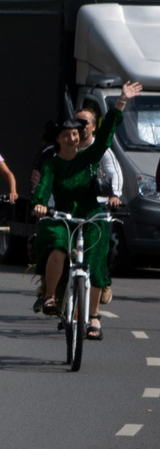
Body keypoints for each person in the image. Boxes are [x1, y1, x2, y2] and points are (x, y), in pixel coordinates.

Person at [34, 84, 142, 338]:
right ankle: (50, 297)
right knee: (58, 245)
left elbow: (105, 137)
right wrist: (40, 204)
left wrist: (121, 102)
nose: (72, 138)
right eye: (66, 135)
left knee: (95, 260)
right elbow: (44, 185)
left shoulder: (88, 158)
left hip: (91, 213)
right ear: (57, 138)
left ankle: (93, 315)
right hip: (62, 215)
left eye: (75, 134)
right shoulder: (51, 164)